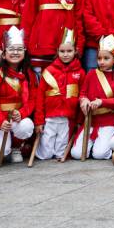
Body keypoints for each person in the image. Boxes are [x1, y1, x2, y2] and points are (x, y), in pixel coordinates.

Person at [71, 34, 114, 160]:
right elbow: (83, 94)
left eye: (106, 58)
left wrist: (102, 102)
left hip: (109, 121)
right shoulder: (91, 74)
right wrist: (84, 100)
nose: (101, 62)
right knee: (76, 154)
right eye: (99, 58)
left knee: (100, 154)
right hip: (91, 121)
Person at [0, 26, 36, 163]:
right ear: (3, 53)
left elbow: (32, 100)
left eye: (19, 49)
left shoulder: (29, 75)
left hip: (17, 118)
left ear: (24, 52)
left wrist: (22, 113)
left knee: (27, 126)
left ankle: (16, 147)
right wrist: (0, 121)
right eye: (11, 49)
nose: (15, 53)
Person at [34, 28, 83, 160]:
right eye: (62, 51)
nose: (65, 54)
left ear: (75, 51)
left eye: (69, 51)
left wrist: (79, 120)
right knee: (45, 154)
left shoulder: (80, 72)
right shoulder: (49, 71)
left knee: (61, 153)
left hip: (67, 119)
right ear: (57, 52)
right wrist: (39, 120)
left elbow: (81, 97)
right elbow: (39, 97)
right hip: (49, 118)